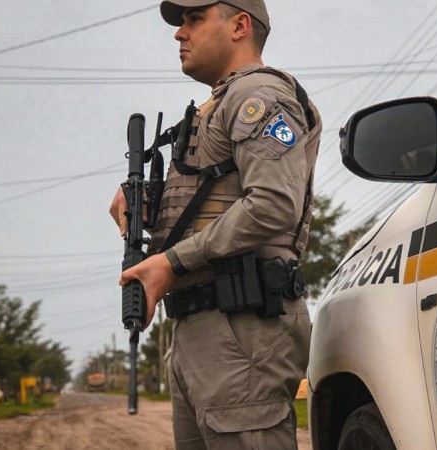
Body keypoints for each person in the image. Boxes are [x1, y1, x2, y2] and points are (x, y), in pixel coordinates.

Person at [108, 1, 321, 448]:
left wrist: (171, 262)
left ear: (240, 25)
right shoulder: (218, 104)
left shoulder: (258, 97)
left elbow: (273, 203)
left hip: (242, 324)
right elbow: (213, 202)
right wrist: (147, 204)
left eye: (194, 19)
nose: (179, 34)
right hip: (206, 326)